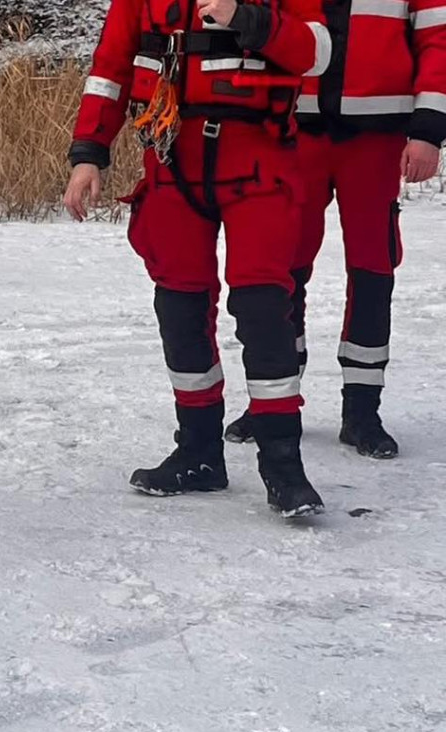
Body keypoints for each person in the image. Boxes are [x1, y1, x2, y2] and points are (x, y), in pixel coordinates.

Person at [64, 0, 332, 516]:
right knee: (180, 306)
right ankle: (199, 452)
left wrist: (247, 19)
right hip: (171, 161)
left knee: (262, 306)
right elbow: (111, 69)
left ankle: (283, 464)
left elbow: (317, 53)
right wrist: (89, 154)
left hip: (258, 161)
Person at [224, 0, 446, 458]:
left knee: (372, 267)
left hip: (376, 137)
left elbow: (438, 42)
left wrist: (428, 130)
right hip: (291, 130)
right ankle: (274, 402)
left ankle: (362, 412)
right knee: (280, 268)